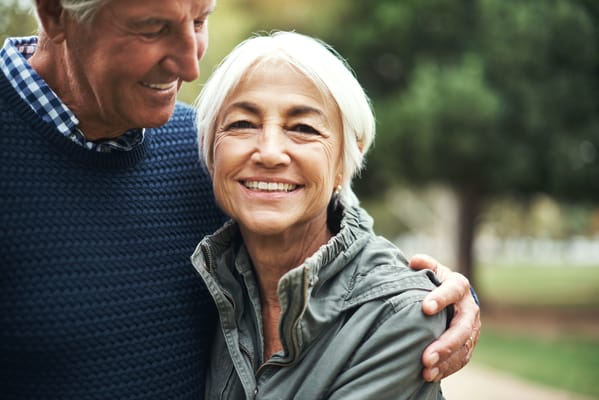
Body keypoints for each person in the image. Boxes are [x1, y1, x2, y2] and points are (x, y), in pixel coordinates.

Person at [0, 0, 479, 398]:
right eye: (153, 28)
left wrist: (436, 296)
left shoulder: (199, 153)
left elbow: (329, 228)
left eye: (199, 21)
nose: (190, 65)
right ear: (55, 14)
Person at [191, 30, 458, 399]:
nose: (269, 152)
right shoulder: (206, 281)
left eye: (303, 128)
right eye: (242, 124)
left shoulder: (399, 315)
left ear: (346, 160)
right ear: (210, 153)